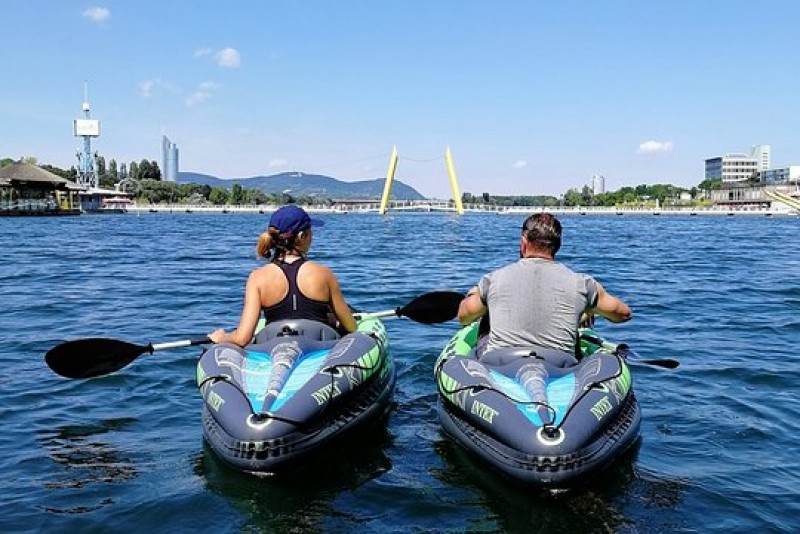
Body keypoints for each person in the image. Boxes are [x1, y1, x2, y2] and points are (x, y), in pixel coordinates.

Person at [457, 212, 632, 356]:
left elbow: (464, 316)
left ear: (523, 243)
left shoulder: (493, 280)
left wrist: (475, 295)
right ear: (558, 246)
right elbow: (623, 314)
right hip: (561, 368)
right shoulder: (583, 284)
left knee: (486, 315)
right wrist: (588, 309)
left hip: (500, 365)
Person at [209, 204, 357, 346]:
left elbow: (242, 338)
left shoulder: (257, 277)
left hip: (274, 348)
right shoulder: (324, 274)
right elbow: (351, 327)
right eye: (310, 231)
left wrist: (223, 337)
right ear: (302, 236)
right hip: (320, 349)